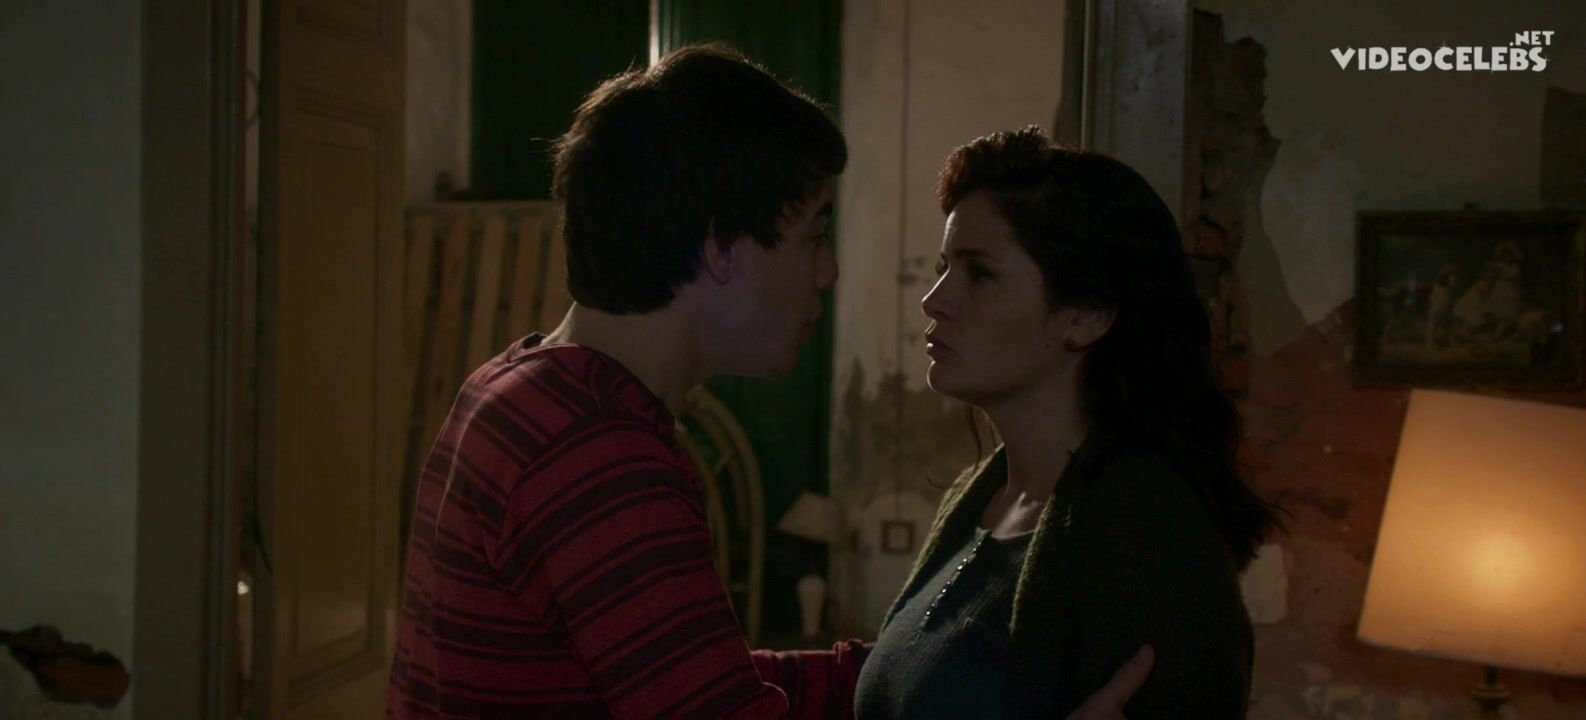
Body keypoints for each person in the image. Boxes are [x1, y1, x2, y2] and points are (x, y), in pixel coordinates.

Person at [386, 44, 1150, 719]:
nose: (827, 269)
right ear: (722, 245)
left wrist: (908, 669)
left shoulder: (521, 388)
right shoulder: (597, 455)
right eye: (814, 233)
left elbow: (694, 675)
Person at [852, 127, 1279, 718]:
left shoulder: (1146, 529)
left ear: (1084, 316)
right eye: (944, 267)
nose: (934, 299)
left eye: (979, 273)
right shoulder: (981, 495)